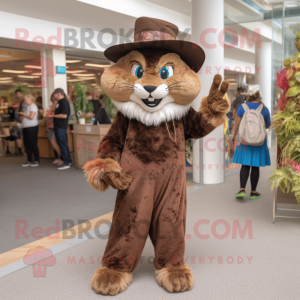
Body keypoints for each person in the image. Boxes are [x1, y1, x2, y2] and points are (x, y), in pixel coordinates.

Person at [231, 85, 271, 200]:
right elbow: (268, 125)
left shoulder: (242, 108)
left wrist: (233, 137)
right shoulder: (264, 109)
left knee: (245, 165)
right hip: (259, 141)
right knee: (255, 167)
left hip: (244, 141)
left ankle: (242, 189)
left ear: (249, 94)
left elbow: (237, 125)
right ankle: (253, 192)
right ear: (259, 95)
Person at [18, 94, 40, 167]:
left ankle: (36, 160)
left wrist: (23, 114)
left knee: (33, 144)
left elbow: (31, 117)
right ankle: (29, 160)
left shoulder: (33, 106)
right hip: (25, 127)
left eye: (25, 99)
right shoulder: (26, 106)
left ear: (30, 99)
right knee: (26, 144)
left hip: (32, 127)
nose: (24, 101)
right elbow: (24, 115)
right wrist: (21, 117)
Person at [53, 88, 72, 170]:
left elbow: (64, 115)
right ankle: (68, 160)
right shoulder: (59, 102)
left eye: (54, 94)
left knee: (62, 144)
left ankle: (66, 163)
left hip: (61, 126)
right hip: (58, 126)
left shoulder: (64, 102)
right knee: (63, 143)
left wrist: (52, 116)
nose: (53, 96)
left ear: (58, 93)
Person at [47, 93, 63, 165]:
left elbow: (56, 114)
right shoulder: (51, 106)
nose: (54, 98)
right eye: (53, 96)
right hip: (50, 125)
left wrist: (51, 113)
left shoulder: (58, 105)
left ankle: (61, 158)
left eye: (55, 96)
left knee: (55, 142)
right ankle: (57, 158)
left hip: (56, 125)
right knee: (52, 142)